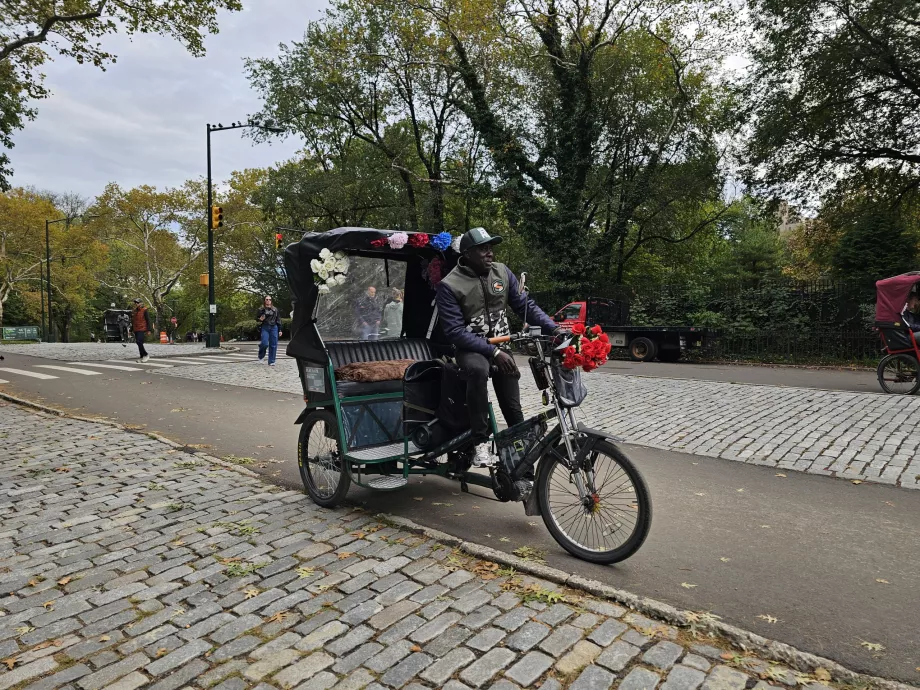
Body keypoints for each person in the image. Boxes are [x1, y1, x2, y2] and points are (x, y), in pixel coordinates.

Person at [436, 227, 562, 468]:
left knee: (513, 406)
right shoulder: (450, 285)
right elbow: (454, 332)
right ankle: (480, 442)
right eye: (483, 249)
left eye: (491, 248)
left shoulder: (502, 273)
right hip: (472, 349)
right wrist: (493, 352)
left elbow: (525, 306)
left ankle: (521, 458)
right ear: (468, 253)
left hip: (502, 348)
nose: (490, 253)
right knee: (479, 370)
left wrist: (553, 329)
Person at [257, 295, 283, 366]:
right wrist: (260, 319)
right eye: (267, 299)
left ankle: (271, 361)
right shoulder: (261, 309)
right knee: (264, 343)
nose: (268, 300)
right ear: (264, 300)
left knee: (273, 344)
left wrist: (280, 329)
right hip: (265, 327)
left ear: (271, 301)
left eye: (269, 299)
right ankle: (261, 356)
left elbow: (278, 320)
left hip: (274, 327)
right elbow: (257, 319)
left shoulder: (275, 309)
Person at [131, 298, 153, 362]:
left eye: (137, 303)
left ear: (141, 303)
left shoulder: (145, 310)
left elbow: (148, 320)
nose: (136, 304)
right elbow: (134, 321)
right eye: (135, 303)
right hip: (136, 328)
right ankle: (141, 356)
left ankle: (146, 354)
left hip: (142, 328)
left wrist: (149, 330)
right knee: (138, 343)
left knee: (139, 341)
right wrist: (131, 329)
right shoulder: (135, 311)